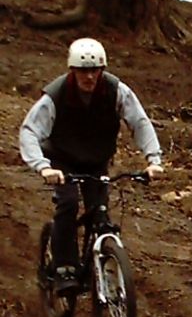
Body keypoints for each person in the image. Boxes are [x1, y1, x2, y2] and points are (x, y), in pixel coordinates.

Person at [19, 37, 164, 295]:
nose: (89, 76)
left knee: (100, 212)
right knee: (68, 204)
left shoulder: (116, 91)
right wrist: (43, 167)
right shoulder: (55, 95)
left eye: (95, 70)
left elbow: (140, 122)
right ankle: (64, 267)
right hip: (61, 161)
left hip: (96, 161)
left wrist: (153, 160)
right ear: (72, 70)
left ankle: (105, 269)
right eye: (83, 70)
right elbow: (30, 131)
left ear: (102, 70)